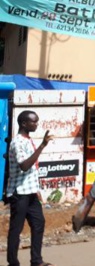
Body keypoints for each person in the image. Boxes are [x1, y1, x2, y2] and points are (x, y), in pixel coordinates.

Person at [6, 110, 55, 266]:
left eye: (37, 121)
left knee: (39, 223)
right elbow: (25, 165)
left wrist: (37, 189)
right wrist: (42, 146)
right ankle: (12, 263)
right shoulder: (18, 142)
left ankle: (36, 261)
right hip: (19, 193)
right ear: (24, 123)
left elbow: (32, 170)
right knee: (16, 229)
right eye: (34, 121)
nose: (36, 124)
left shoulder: (27, 140)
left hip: (31, 192)